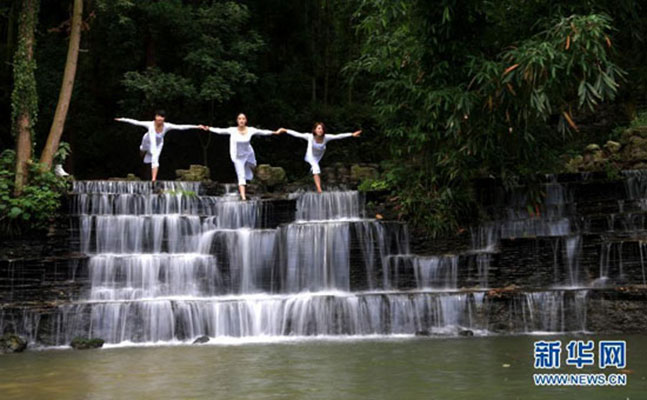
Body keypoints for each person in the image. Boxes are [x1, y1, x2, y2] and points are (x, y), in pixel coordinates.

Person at [114, 110, 205, 181]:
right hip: (147, 140)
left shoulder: (167, 126)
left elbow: (181, 127)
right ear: (155, 118)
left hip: (158, 144)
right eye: (158, 118)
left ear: (164, 119)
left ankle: (153, 179)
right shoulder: (149, 124)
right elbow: (136, 122)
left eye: (161, 119)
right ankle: (142, 153)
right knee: (143, 149)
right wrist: (122, 119)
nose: (159, 121)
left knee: (155, 159)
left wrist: (197, 126)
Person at [207, 113, 281, 200]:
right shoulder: (232, 130)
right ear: (237, 121)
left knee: (253, 166)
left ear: (245, 121)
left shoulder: (250, 130)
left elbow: (262, 132)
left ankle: (255, 178)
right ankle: (243, 196)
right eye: (239, 119)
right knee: (241, 176)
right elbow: (220, 131)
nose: (241, 120)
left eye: (243, 119)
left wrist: (275, 132)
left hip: (249, 153)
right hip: (238, 157)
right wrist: (209, 128)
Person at [282, 122, 361, 193]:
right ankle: (319, 188)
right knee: (316, 167)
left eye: (322, 129)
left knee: (315, 167)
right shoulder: (309, 136)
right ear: (315, 130)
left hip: (318, 156)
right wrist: (286, 130)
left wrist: (351, 134)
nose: (320, 130)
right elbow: (297, 134)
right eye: (319, 128)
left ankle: (312, 172)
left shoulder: (326, 137)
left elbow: (338, 136)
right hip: (310, 156)